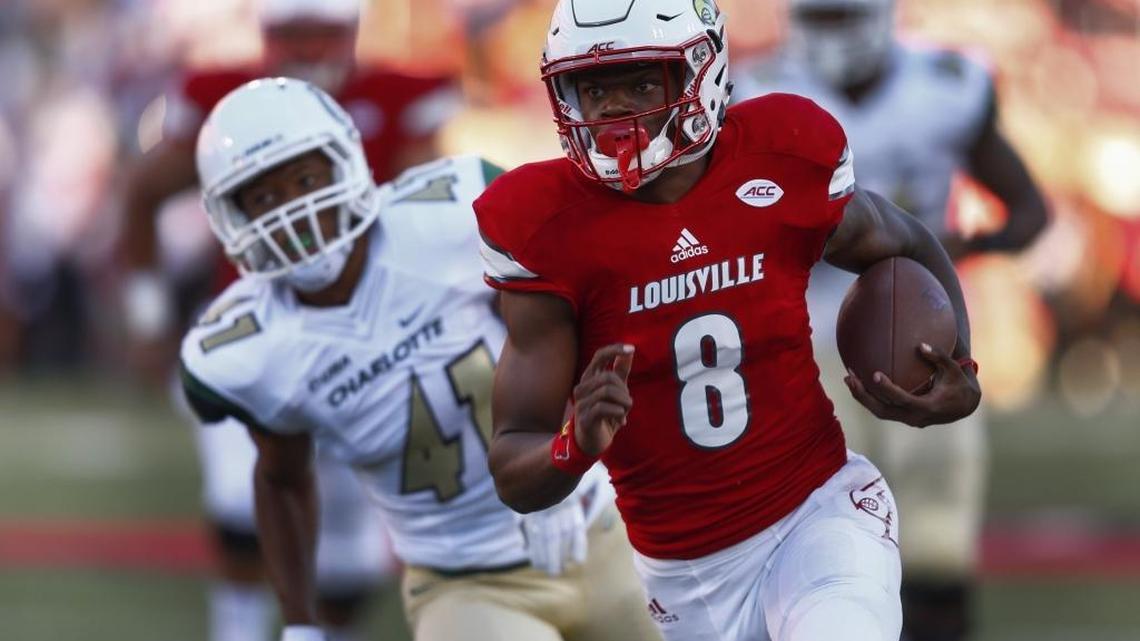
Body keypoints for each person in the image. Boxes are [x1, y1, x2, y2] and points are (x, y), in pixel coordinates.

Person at [474, 1, 982, 640]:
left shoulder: (779, 156)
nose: (609, 107)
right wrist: (571, 447)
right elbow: (513, 463)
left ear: (699, 72)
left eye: (639, 80)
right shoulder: (546, 226)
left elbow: (904, 238)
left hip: (818, 513)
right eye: (592, 86)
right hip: (682, 579)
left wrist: (958, 360)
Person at [180, 77, 662, 641]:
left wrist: (562, 462)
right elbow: (282, 477)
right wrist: (301, 623)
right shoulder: (250, 349)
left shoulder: (446, 213)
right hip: (465, 581)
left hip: (598, 524)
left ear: (346, 164)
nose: (295, 214)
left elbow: (560, 325)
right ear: (228, 215)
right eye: (263, 198)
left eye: (306, 180)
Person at [119, 2, 461, 640]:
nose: (308, 47)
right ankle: (240, 629)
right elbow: (143, 191)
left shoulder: (399, 94)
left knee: (350, 556)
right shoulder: (223, 100)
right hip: (263, 319)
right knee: (239, 502)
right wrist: (146, 315)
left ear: (352, 31)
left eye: (321, 32)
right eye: (293, 33)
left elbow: (424, 203)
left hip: (372, 326)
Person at [731, 1, 1048, 638]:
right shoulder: (759, 93)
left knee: (935, 548)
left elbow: (1028, 212)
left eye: (841, 17)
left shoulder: (945, 86)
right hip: (804, 344)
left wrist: (958, 249)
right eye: (817, 19)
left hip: (926, 336)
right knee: (814, 549)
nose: (830, 35)